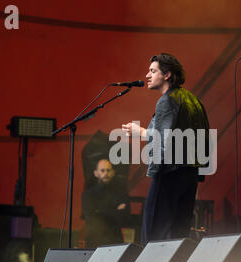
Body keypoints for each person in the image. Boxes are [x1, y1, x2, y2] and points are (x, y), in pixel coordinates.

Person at [122, 53, 210, 245]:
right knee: (178, 235)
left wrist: (141, 133)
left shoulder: (167, 101)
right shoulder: (193, 100)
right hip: (190, 174)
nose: (147, 75)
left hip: (169, 172)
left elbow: (163, 137)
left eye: (153, 71)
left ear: (167, 74)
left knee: (155, 232)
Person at [80, 158, 130, 248]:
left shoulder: (120, 193)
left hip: (115, 242)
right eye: (102, 170)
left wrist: (100, 211)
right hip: (94, 243)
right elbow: (90, 216)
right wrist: (115, 210)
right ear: (96, 173)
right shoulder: (88, 195)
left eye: (108, 170)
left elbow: (125, 217)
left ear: (113, 172)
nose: (105, 173)